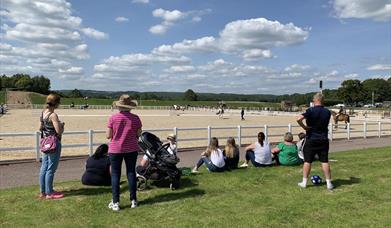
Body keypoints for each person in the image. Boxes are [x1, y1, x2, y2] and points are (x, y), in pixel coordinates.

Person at [107, 94, 142, 211]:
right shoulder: (136, 118)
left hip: (115, 149)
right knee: (131, 173)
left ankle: (116, 201)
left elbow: (109, 135)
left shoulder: (113, 118)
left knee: (115, 175)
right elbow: (139, 134)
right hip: (131, 148)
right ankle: (133, 200)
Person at [297, 93, 334, 190]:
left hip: (311, 138)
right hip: (323, 139)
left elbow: (298, 118)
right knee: (324, 161)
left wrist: (304, 127)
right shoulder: (327, 112)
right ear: (323, 101)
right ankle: (329, 183)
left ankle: (304, 182)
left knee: (307, 161)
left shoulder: (310, 110)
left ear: (315, 100)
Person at [39, 93, 65, 199]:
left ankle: (43, 191)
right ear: (56, 103)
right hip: (54, 143)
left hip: (45, 143)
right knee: (51, 168)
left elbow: (40, 128)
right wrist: (61, 125)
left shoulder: (43, 113)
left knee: (44, 167)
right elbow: (58, 132)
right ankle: (50, 193)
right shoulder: (53, 115)